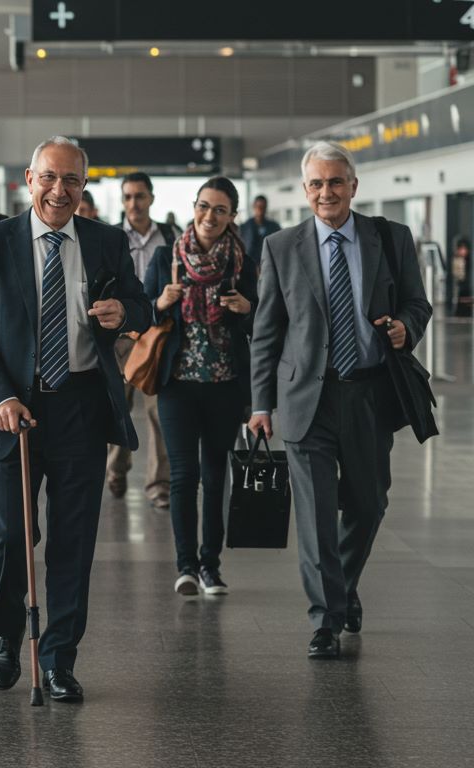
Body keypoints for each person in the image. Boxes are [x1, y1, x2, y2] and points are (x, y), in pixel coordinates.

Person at [0, 136, 150, 703]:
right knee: (11, 534)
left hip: (80, 406)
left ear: (84, 186)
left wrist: (125, 313)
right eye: (49, 177)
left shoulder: (106, 241)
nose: (59, 190)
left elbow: (141, 307)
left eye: (71, 180)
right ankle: (5, 633)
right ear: (29, 179)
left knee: (74, 539)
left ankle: (59, 657)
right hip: (11, 409)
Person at [248, 141, 431, 659]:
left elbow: (418, 303)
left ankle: (343, 587)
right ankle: (325, 619)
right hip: (306, 396)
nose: (325, 192)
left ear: (353, 186)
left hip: (370, 392)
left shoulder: (390, 238)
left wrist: (406, 327)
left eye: (335, 182)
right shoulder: (281, 247)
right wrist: (260, 404)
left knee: (369, 504)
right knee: (315, 515)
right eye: (316, 184)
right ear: (305, 190)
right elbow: (266, 332)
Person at [144, 177, 257, 597]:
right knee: (183, 476)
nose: (210, 216)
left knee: (214, 476)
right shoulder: (166, 256)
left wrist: (247, 308)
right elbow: (141, 313)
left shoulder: (241, 262)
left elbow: (264, 320)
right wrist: (160, 303)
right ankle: (186, 566)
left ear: (232, 216)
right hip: (177, 385)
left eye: (220, 210)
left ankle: (211, 565)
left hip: (225, 386)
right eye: (204, 206)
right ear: (194, 207)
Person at [110, 171, 178, 509]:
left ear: (151, 198)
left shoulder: (169, 236)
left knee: (158, 414)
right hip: (120, 338)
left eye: (139, 196)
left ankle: (158, 484)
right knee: (117, 410)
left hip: (156, 335)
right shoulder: (110, 237)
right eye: (128, 197)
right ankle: (116, 469)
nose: (133, 203)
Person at [239, 194, 282, 263]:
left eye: (263, 207)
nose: (260, 210)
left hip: (269, 263)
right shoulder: (244, 227)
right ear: (253, 207)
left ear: (266, 208)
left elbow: (279, 247)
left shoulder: (274, 227)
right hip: (249, 264)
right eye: (258, 207)